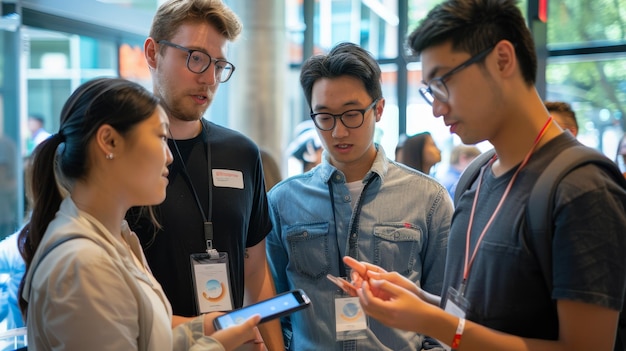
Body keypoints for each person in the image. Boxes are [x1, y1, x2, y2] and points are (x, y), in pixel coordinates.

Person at [343, 0, 626, 350]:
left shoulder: (582, 187)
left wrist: (433, 322)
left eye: (442, 82)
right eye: (430, 89)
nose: (436, 106)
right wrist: (417, 301)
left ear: (502, 59)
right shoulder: (476, 175)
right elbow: (481, 318)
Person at [17, 77, 262, 350]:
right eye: (160, 137)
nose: (168, 156)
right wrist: (218, 345)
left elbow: (145, 338)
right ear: (109, 141)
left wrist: (203, 328)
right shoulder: (83, 264)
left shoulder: (115, 237)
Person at [266, 42, 453, 351]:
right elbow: (276, 304)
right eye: (324, 117)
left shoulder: (427, 198)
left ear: (378, 109)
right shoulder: (283, 201)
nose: (338, 132)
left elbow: (443, 308)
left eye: (352, 114)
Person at [126, 0, 283, 349]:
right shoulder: (124, 158)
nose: (209, 79)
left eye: (219, 64)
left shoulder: (241, 153)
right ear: (153, 53)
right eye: (195, 57)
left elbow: (256, 271)